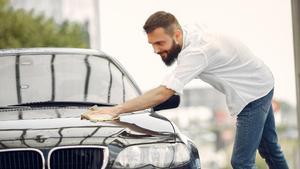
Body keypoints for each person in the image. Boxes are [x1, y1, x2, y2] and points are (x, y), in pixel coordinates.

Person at [82, 11, 289, 168]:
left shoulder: (197, 53)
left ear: (177, 35)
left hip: (252, 94)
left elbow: (164, 92)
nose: (156, 50)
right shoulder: (188, 35)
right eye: (152, 44)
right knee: (270, 149)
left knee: (241, 162)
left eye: (160, 43)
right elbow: (169, 86)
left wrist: (115, 110)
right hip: (261, 80)